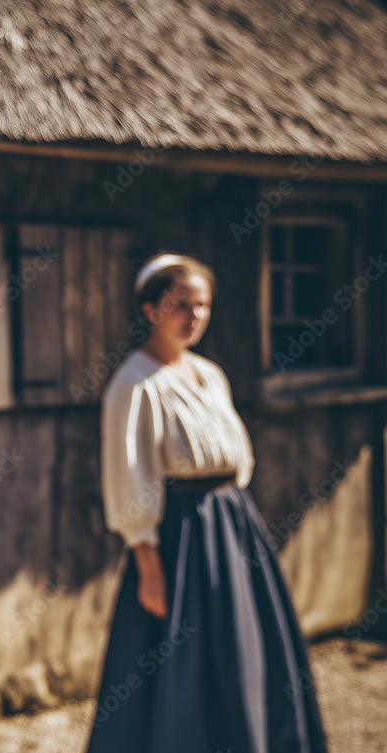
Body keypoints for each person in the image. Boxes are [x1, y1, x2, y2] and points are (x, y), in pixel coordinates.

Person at [86, 253, 327, 753]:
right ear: (151, 310)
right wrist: (147, 562)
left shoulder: (210, 374)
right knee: (183, 660)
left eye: (202, 305)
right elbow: (129, 475)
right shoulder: (134, 383)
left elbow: (237, 456)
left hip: (234, 523)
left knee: (246, 648)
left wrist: (238, 518)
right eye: (181, 305)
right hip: (182, 533)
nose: (193, 317)